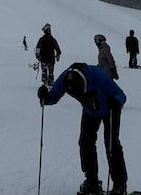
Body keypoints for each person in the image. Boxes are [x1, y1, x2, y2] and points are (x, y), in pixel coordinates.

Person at [38, 62, 130, 195]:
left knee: (111, 144)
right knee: (85, 142)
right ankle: (91, 180)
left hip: (110, 108)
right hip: (90, 110)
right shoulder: (65, 79)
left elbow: (120, 95)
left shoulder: (99, 76)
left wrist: (116, 102)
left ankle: (119, 185)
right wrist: (45, 97)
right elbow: (53, 96)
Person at [36, 23, 62, 88]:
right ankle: (49, 83)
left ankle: (46, 83)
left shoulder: (43, 39)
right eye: (49, 29)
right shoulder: (51, 39)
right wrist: (58, 55)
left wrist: (38, 55)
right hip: (49, 59)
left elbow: (37, 48)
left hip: (46, 59)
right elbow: (57, 48)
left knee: (46, 72)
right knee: (50, 72)